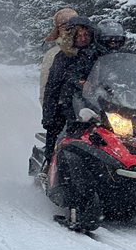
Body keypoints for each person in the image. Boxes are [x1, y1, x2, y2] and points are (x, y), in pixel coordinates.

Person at [39, 15, 97, 177]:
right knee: (57, 132)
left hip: (92, 105)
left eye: (86, 35)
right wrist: (49, 112)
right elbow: (51, 86)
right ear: (71, 36)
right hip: (64, 104)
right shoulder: (62, 56)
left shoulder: (96, 54)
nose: (83, 39)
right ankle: (49, 166)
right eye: (78, 36)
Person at [39, 8, 78, 107]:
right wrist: (49, 108)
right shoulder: (52, 54)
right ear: (58, 30)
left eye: (73, 27)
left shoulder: (87, 48)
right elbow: (46, 86)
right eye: (65, 27)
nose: (69, 30)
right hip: (62, 108)